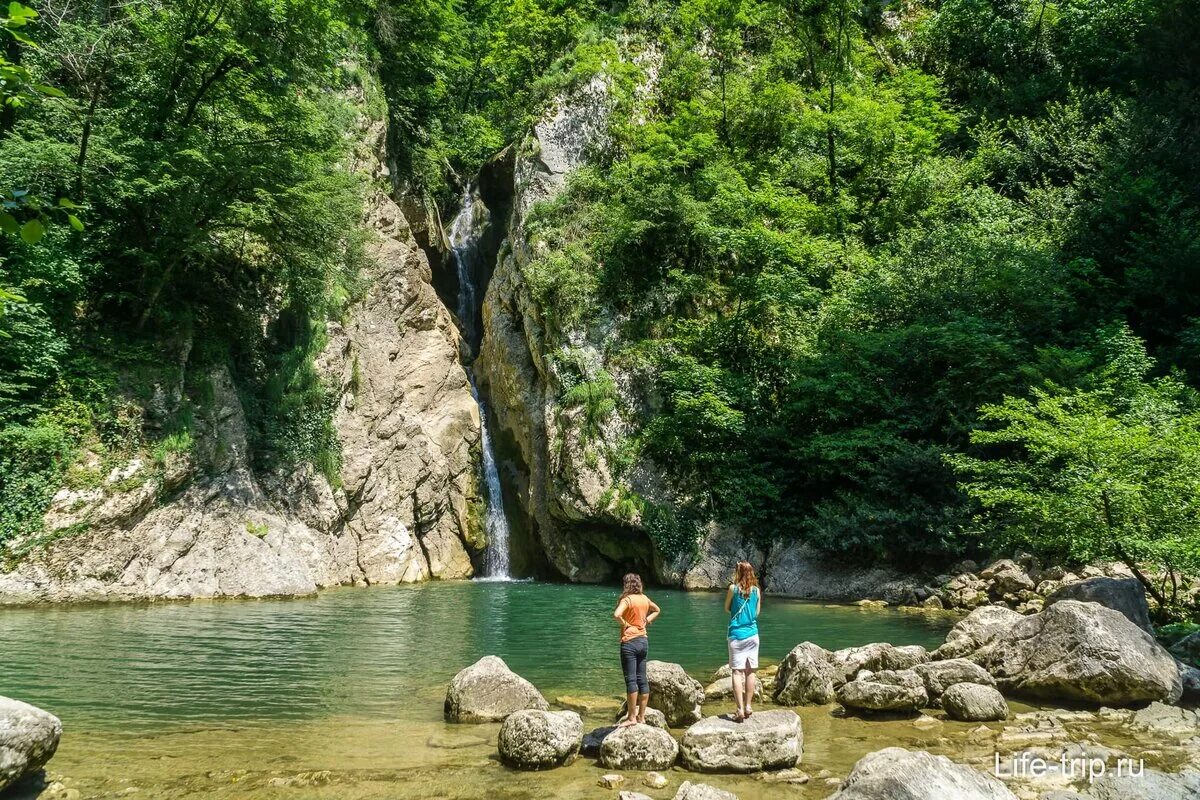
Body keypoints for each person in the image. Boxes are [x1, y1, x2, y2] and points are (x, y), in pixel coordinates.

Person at [613, 573, 660, 727]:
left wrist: (625, 624)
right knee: (642, 678)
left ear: (626, 585)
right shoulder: (644, 598)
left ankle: (631, 717)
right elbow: (657, 609)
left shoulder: (627, 599)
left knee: (631, 680)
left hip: (629, 642)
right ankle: (641, 716)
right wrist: (648, 620)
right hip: (643, 641)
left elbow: (616, 615)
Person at [724, 561, 761, 722]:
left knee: (737, 672)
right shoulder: (757, 591)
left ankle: (739, 709)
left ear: (738, 573)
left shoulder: (733, 589)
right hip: (753, 635)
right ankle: (748, 706)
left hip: (736, 635)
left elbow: (726, 608)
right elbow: (756, 614)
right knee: (751, 671)